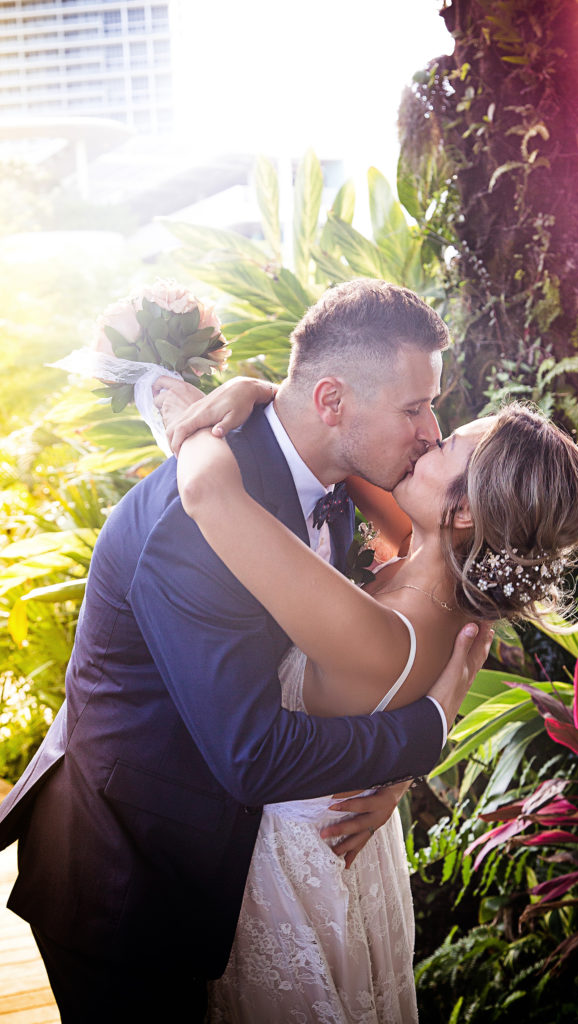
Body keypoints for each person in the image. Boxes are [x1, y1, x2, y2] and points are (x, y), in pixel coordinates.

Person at [0, 279, 493, 1024]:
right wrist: (420, 736)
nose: (430, 431)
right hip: (130, 872)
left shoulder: (346, 475)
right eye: (415, 408)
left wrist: (257, 389)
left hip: (237, 865)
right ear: (331, 402)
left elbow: (455, 591)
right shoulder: (198, 521)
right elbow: (253, 756)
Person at [155, 377, 578, 1022]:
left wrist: (184, 413)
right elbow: (338, 444)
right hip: (342, 838)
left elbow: (206, 491)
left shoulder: (390, 631)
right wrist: (261, 390)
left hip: (288, 861)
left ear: (466, 513)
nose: (426, 436)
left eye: (446, 442)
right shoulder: (437, 577)